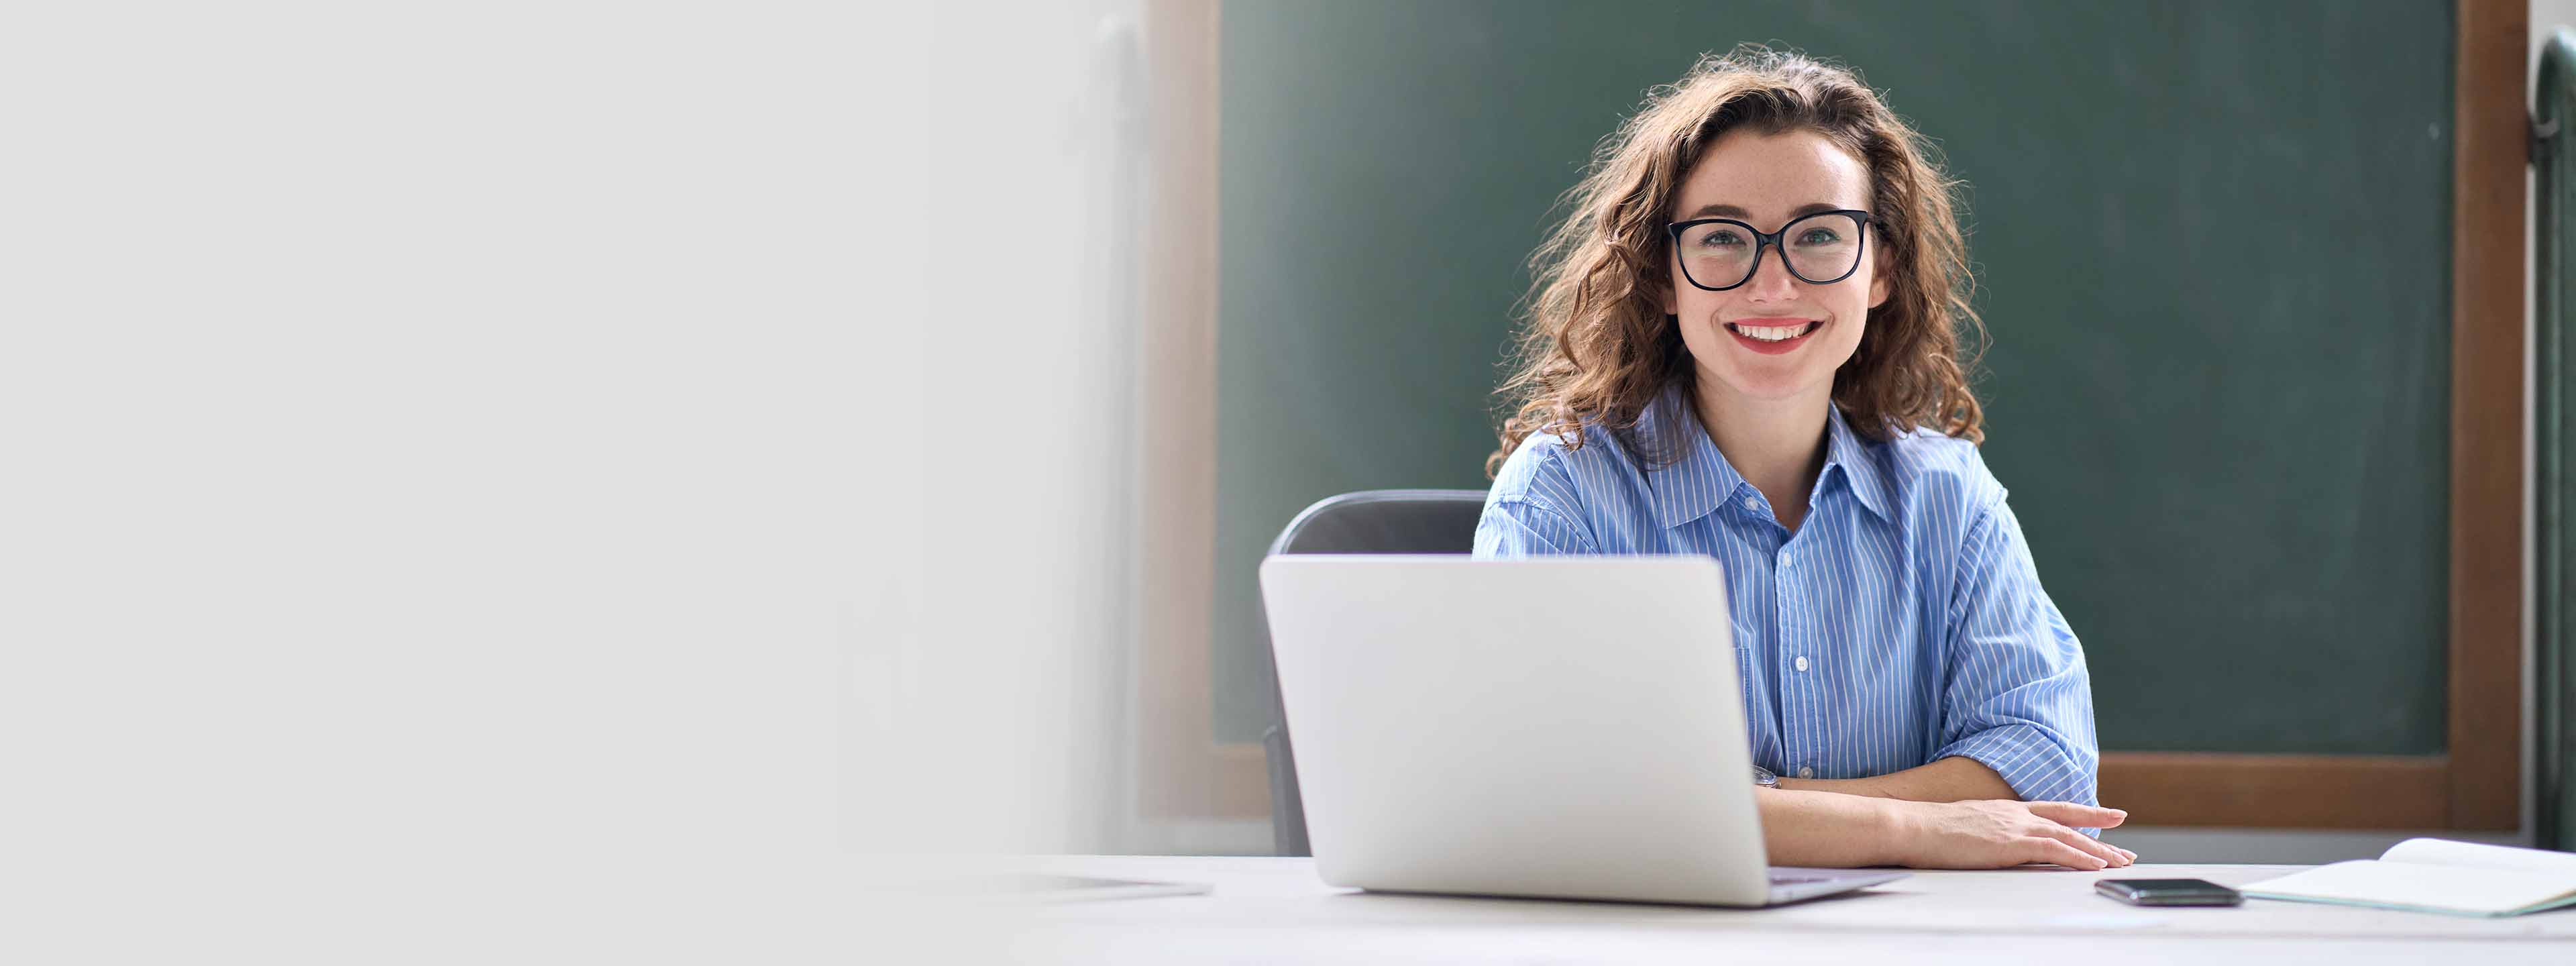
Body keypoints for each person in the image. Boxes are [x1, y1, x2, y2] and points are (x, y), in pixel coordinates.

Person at [1477, 46, 2134, 871]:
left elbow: (2044, 762)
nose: (1772, 286)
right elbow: (1558, 799)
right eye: (1722, 238)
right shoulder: (1563, 495)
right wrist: (1915, 826)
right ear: (1663, 276)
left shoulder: (1948, 494)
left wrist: (1745, 806)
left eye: (1819, 235)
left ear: (1881, 269)